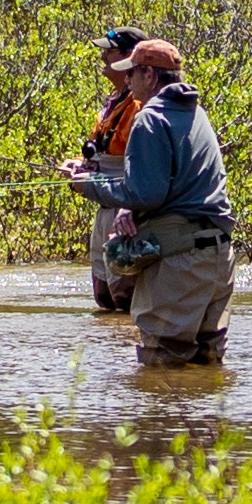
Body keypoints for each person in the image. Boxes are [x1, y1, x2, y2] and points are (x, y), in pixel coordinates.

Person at [67, 37, 233, 370]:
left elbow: (146, 193)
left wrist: (88, 185)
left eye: (131, 74)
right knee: (205, 366)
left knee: (161, 368)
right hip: (218, 259)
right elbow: (170, 182)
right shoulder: (197, 114)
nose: (126, 81)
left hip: (180, 265)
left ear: (149, 76)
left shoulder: (149, 119)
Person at [74, 22, 152, 317]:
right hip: (104, 204)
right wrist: (81, 167)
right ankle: (105, 355)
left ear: (129, 57)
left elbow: (138, 160)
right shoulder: (112, 102)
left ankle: (127, 351)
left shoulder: (141, 107)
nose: (103, 58)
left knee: (125, 295)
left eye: (110, 52)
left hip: (124, 209)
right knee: (104, 293)